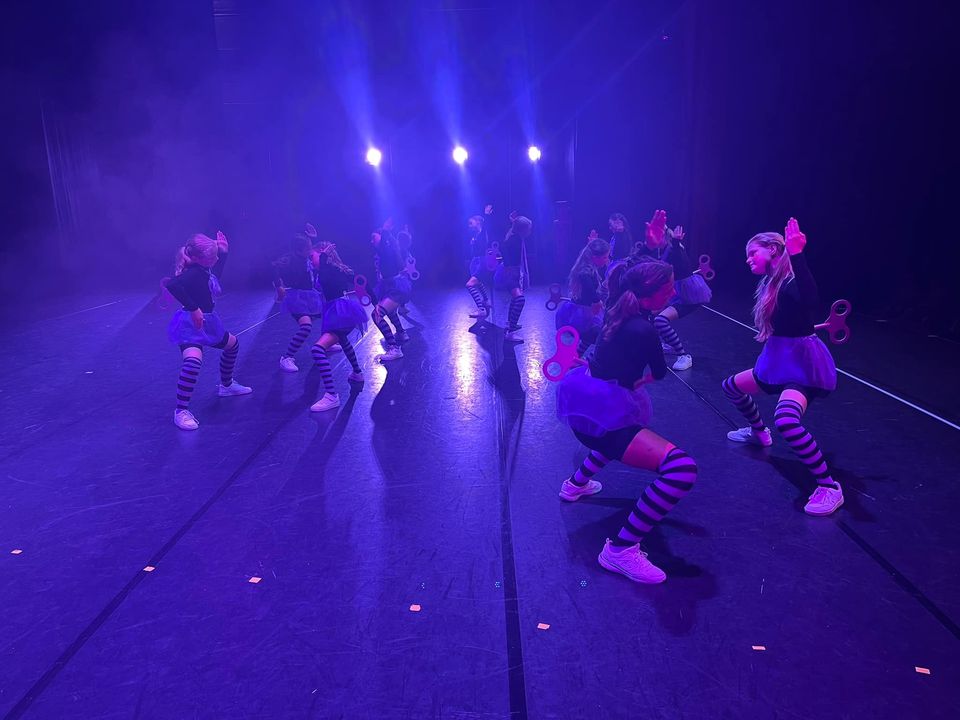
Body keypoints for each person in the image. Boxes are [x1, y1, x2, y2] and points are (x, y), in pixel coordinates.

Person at [555, 261, 699, 583]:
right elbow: (660, 372)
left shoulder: (616, 309)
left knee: (617, 437)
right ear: (651, 294)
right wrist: (638, 380)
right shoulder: (645, 328)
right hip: (609, 414)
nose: (674, 292)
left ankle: (576, 484)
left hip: (585, 407)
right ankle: (620, 550)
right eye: (668, 288)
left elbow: (594, 333)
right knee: (681, 469)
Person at [721, 218, 842, 516]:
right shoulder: (771, 281)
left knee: (787, 421)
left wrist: (797, 254)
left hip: (801, 365)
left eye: (753, 252)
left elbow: (810, 299)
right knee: (732, 387)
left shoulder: (790, 281)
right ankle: (759, 433)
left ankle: (829, 487)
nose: (747, 259)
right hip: (777, 359)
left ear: (774, 249)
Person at [164, 232, 252, 430]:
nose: (216, 259)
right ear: (195, 258)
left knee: (232, 345)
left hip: (208, 323)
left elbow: (216, 275)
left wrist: (224, 252)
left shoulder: (203, 270)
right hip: (191, 325)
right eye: (212, 257)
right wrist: (194, 308)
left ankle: (226, 385)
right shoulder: (192, 273)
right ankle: (181, 411)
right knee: (193, 362)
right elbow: (172, 285)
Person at [633, 210, 711, 371]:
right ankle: (664, 343)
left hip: (689, 294)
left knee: (660, 320)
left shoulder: (673, 248)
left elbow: (671, 256)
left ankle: (683, 355)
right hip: (676, 291)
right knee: (651, 314)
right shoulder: (664, 250)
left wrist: (675, 242)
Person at [309, 242, 367, 411]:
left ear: (322, 256)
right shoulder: (328, 269)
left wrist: (324, 256)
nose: (311, 259)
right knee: (343, 340)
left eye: (313, 256)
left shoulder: (329, 270)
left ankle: (331, 395)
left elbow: (326, 279)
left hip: (339, 312)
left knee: (317, 350)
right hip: (339, 312)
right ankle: (357, 373)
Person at [274, 234, 324, 373]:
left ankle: (326, 343)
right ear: (299, 250)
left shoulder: (305, 257)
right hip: (297, 298)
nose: (310, 250)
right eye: (307, 248)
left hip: (310, 296)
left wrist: (312, 237)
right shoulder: (290, 260)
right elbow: (274, 268)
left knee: (327, 317)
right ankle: (287, 357)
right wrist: (279, 286)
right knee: (306, 327)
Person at [556, 236, 610, 356]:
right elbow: (588, 285)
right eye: (605, 257)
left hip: (584, 309)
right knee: (598, 335)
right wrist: (597, 301)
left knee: (591, 334)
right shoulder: (585, 270)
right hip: (582, 312)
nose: (607, 260)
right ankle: (593, 359)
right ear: (595, 258)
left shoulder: (589, 267)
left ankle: (576, 355)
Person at [370, 226, 411, 361]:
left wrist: (385, 230)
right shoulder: (386, 250)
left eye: (373, 237)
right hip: (389, 285)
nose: (371, 241)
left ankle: (394, 348)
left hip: (395, 286)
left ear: (382, 238)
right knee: (391, 311)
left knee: (377, 314)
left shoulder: (385, 250)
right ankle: (401, 332)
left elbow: (383, 243)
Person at [496, 212, 533, 342]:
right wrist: (508, 266)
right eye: (528, 229)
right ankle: (510, 332)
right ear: (522, 229)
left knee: (515, 298)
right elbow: (504, 248)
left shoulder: (514, 236)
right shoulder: (515, 239)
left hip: (513, 271)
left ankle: (510, 323)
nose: (530, 231)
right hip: (512, 272)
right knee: (520, 300)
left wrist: (513, 220)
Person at [465, 205, 494, 319]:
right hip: (477, 261)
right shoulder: (476, 235)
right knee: (478, 283)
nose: (469, 225)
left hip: (482, 262)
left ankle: (481, 309)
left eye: (471, 223)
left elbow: (487, 226)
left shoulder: (483, 233)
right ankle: (486, 301)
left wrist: (487, 214)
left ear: (478, 222)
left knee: (469, 285)